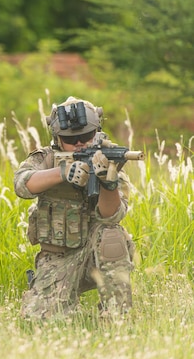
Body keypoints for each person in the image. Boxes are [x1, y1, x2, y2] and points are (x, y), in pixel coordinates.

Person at [14, 96, 136, 319]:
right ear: (58, 139)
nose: (79, 144)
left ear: (96, 132)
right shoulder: (47, 158)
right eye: (71, 139)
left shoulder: (108, 159)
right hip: (57, 257)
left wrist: (107, 182)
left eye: (85, 137)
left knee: (112, 235)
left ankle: (117, 313)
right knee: (38, 320)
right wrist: (61, 173)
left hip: (96, 254)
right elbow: (22, 184)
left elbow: (112, 216)